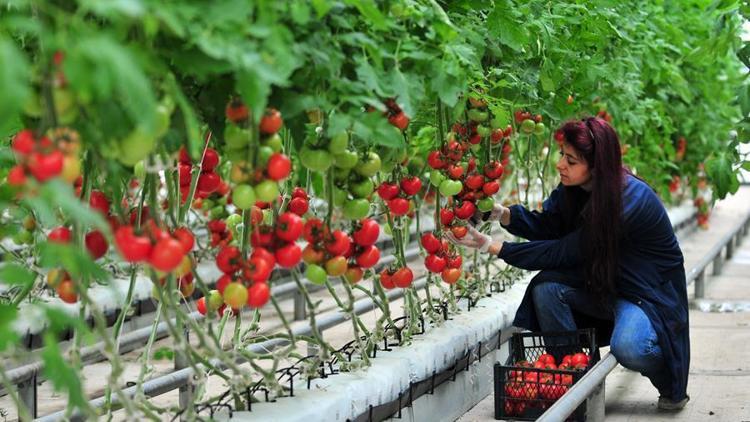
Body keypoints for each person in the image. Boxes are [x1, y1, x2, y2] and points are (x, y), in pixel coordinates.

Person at [447, 117, 690, 410]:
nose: (560, 164)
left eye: (571, 160)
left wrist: (493, 246)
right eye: (562, 154)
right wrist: (500, 214)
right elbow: (549, 224)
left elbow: (564, 251)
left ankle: (669, 380)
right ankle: (576, 383)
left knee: (630, 347)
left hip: (645, 295)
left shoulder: (629, 200)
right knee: (547, 288)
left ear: (596, 165)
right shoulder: (577, 189)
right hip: (608, 283)